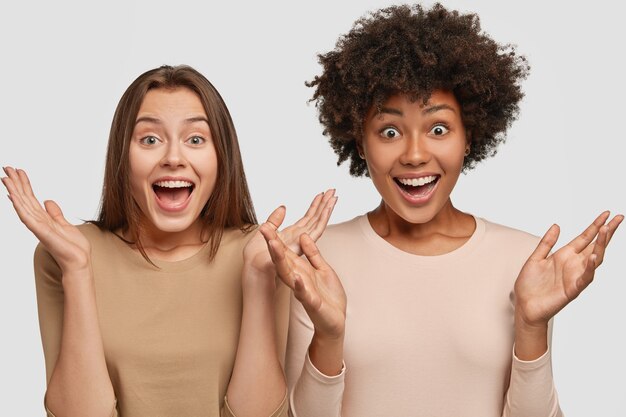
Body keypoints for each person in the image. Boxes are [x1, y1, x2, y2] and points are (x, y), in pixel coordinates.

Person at [258, 4, 623, 416]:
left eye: (438, 129)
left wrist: (531, 327)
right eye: (390, 131)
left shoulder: (524, 262)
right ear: (361, 142)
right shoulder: (317, 261)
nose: (415, 154)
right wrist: (328, 336)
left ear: (469, 136)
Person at [1, 65, 337, 417]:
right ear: (122, 157)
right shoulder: (66, 253)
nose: (173, 159)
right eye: (149, 139)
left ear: (221, 156)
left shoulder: (262, 253)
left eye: (195, 139)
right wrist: (77, 270)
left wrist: (258, 278)